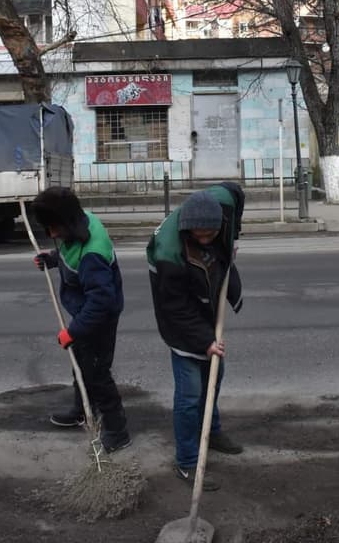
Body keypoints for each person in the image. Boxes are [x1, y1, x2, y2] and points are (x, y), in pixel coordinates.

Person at [147, 184, 245, 492]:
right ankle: (187, 461)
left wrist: (232, 239)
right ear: (188, 229)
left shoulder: (222, 207)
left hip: (205, 306)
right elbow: (176, 309)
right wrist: (205, 341)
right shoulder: (168, 254)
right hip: (180, 324)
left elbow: (235, 193)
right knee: (190, 395)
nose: (205, 239)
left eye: (210, 235)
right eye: (199, 237)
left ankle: (211, 432)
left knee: (214, 378)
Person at [31, 186, 131, 453]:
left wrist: (73, 331)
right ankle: (82, 410)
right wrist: (52, 259)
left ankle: (118, 431)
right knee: (81, 366)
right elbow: (69, 251)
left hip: (99, 320)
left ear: (69, 222)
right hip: (85, 315)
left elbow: (101, 302)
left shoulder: (93, 255)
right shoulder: (80, 223)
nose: (52, 234)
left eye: (54, 228)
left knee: (97, 374)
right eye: (48, 228)